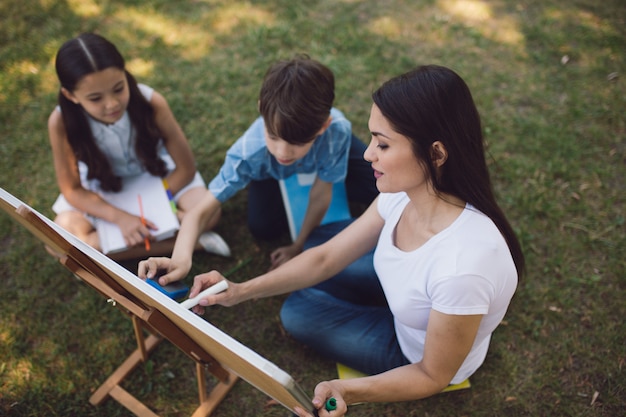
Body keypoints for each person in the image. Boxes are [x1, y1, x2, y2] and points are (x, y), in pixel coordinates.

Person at [179, 65, 525, 416]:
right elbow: (327, 259)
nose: (367, 154)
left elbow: (432, 374)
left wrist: (346, 390)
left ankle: (370, 306)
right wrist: (241, 290)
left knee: (297, 312)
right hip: (409, 297)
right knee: (316, 248)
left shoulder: (462, 270)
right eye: (372, 138)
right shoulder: (404, 193)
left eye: (384, 144)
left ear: (436, 154)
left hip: (412, 353)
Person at [138, 55, 377, 283]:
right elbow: (199, 212)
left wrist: (299, 245)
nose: (283, 152)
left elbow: (320, 194)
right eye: (273, 136)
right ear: (261, 109)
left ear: (323, 126)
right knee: (263, 228)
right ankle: (300, 169)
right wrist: (180, 259)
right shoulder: (247, 155)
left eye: (296, 143)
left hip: (328, 151)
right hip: (267, 171)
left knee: (378, 189)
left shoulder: (337, 132)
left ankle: (334, 171)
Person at [48, 33, 230, 260]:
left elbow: (186, 168)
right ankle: (192, 242)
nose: (112, 104)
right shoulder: (60, 122)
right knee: (57, 241)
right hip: (102, 189)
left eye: (118, 88)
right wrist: (120, 217)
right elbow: (72, 189)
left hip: (159, 177)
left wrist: (148, 208)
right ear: (70, 95)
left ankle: (103, 250)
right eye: (95, 98)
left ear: (125, 75)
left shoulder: (150, 102)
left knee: (208, 211)